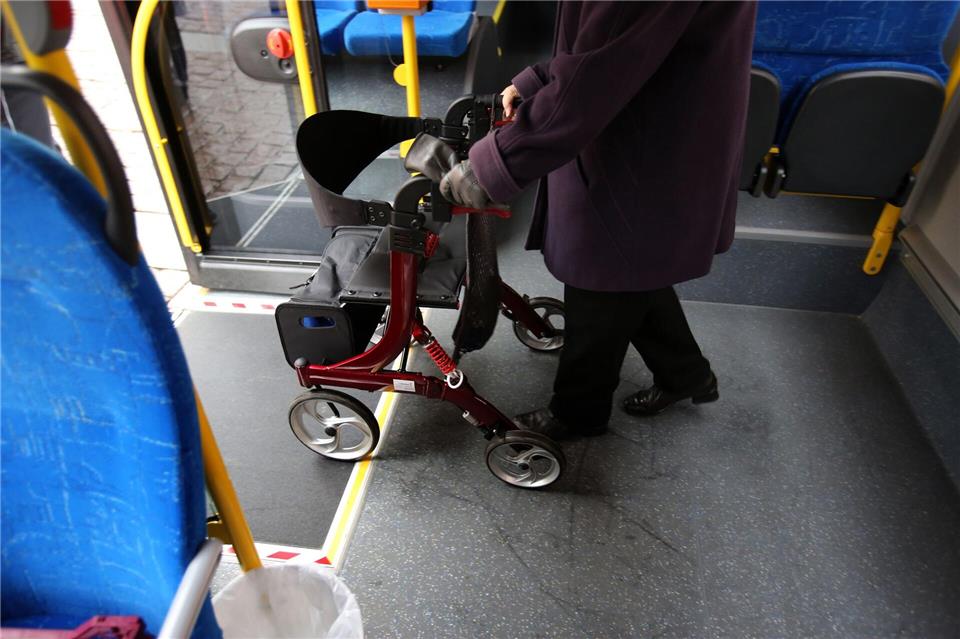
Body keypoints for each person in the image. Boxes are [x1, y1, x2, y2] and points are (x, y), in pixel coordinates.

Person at [440, 1, 757, 439]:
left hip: (640, 142)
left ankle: (577, 413)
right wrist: (542, 79)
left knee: (599, 275)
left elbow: (600, 70)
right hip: (660, 119)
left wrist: (493, 163)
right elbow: (615, 38)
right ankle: (686, 374)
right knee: (633, 264)